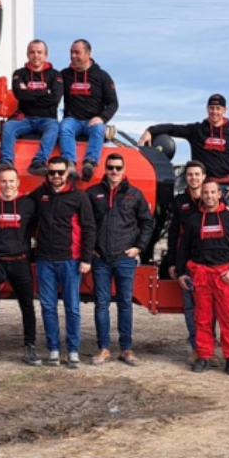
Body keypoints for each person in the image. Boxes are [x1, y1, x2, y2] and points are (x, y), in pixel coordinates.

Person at [86, 152, 154, 367]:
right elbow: (84, 224)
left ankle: (126, 349)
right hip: (100, 259)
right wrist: (90, 250)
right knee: (102, 304)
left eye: (118, 168)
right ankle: (104, 348)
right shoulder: (92, 193)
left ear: (124, 171)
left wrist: (139, 248)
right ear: (104, 170)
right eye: (110, 167)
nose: (114, 171)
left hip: (125, 259)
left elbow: (147, 223)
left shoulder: (134, 194)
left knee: (125, 304)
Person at [29, 156, 96, 368]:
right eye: (52, 172)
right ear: (47, 173)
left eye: (60, 172)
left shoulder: (79, 197)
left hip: (70, 260)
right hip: (44, 260)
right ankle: (54, 350)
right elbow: (24, 213)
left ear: (68, 173)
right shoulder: (39, 195)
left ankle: (73, 351)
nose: (56, 176)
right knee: (48, 307)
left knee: (72, 307)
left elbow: (88, 228)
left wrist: (86, 258)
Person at [176, 181, 229, 376]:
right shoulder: (193, 220)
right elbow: (184, 248)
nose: (208, 196)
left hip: (225, 277)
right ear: (202, 195)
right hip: (201, 275)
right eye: (205, 193)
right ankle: (204, 356)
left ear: (219, 195)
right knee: (202, 318)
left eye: (212, 192)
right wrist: (182, 272)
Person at [0, 164, 38, 366]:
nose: (8, 185)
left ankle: (30, 347)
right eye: (4, 181)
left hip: (20, 261)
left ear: (18, 182)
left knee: (27, 306)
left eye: (11, 181)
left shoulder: (29, 204)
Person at [138, 94, 229, 200]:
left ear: (224, 110)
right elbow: (173, 128)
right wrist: (151, 130)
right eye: (211, 108)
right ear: (207, 108)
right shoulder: (197, 130)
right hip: (200, 188)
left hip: (224, 189)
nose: (214, 112)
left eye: (218, 108)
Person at [0, 39, 63, 177]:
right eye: (32, 52)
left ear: (46, 55)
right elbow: (21, 95)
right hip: (25, 118)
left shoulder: (55, 75)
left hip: (47, 119)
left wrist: (30, 93)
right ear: (27, 54)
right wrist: (45, 92)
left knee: (54, 128)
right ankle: (5, 162)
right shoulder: (19, 73)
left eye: (39, 52)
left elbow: (55, 99)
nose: (36, 55)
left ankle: (39, 163)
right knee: (9, 127)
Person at [58, 39, 118, 182]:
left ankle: (90, 163)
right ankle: (70, 164)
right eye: (71, 52)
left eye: (77, 52)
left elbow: (113, 103)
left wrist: (102, 118)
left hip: (93, 120)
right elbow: (52, 96)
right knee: (64, 128)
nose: (73, 56)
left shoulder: (102, 76)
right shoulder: (64, 75)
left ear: (88, 53)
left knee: (99, 129)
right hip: (72, 120)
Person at [165, 160, 206, 357]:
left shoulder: (212, 198)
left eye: (197, 174)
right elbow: (174, 233)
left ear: (204, 177)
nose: (193, 178)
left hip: (209, 262)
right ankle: (195, 347)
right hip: (187, 262)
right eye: (190, 175)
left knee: (207, 308)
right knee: (190, 308)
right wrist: (173, 261)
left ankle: (207, 347)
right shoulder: (180, 201)